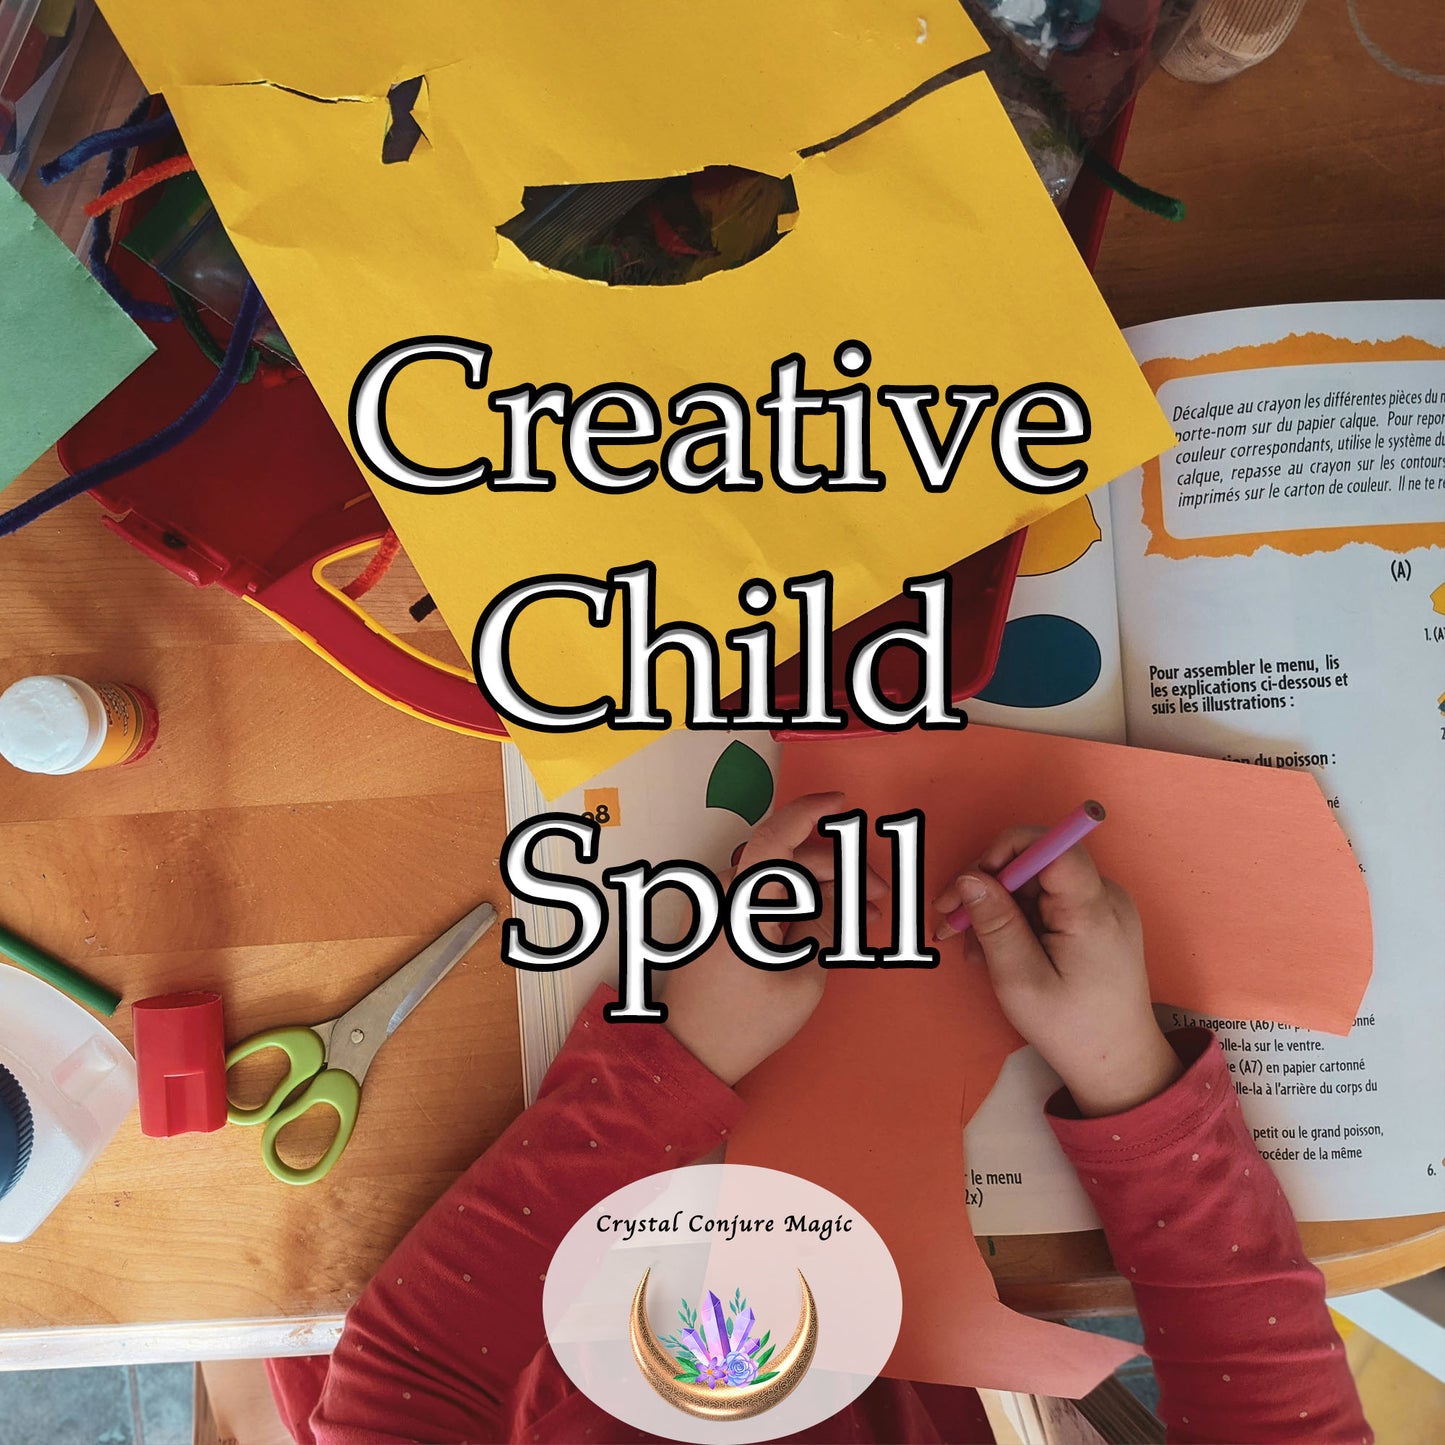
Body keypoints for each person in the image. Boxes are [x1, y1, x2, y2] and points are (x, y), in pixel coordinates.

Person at [267, 794, 1371, 1444]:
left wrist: (669, 1061)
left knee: (252, 1308)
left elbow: (411, 1378)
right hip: (868, 1345)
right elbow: (1275, 1409)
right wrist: (1127, 1078)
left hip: (544, 1345)